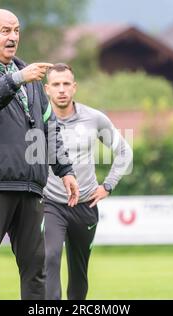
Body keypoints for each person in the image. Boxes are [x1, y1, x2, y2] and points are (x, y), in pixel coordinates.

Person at [0, 9, 79, 300]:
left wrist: (65, 170)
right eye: (5, 31)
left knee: (37, 270)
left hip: (30, 187)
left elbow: (48, 129)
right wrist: (17, 79)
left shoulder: (30, 77)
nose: (13, 37)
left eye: (17, 30)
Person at [43, 63, 133, 300]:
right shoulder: (37, 121)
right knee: (49, 257)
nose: (61, 89)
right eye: (56, 84)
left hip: (85, 206)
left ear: (74, 87)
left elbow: (125, 152)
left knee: (79, 272)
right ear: (46, 90)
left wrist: (108, 185)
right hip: (50, 204)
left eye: (65, 84)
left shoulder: (94, 119)